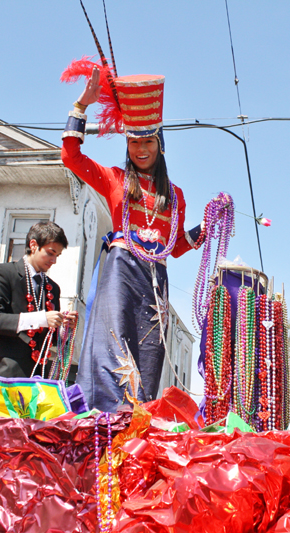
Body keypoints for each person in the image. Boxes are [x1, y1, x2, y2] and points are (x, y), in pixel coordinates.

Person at [62, 65, 207, 412]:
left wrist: (204, 231)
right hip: (121, 270)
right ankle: (105, 420)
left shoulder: (176, 196)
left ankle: (136, 422)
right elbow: (71, 157)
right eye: (134, 142)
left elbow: (173, 248)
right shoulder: (114, 180)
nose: (141, 149)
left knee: (149, 354)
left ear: (160, 144)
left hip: (155, 279)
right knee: (111, 348)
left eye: (148, 142)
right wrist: (81, 106)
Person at [0, 222, 78, 384]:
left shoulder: (52, 288)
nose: (54, 260)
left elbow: (49, 339)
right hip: (7, 375)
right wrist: (41, 319)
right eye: (50, 253)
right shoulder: (3, 273)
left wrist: (64, 328)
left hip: (39, 379)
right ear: (33, 245)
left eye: (57, 256)